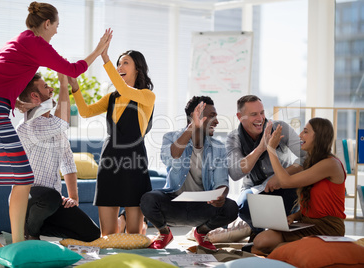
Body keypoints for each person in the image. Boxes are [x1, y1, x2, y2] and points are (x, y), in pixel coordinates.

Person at [0, 1, 111, 257]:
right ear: (47, 24)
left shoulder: (19, 40)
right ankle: (19, 242)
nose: (56, 32)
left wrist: (15, 101)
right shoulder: (36, 45)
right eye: (56, 26)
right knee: (23, 177)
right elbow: (73, 69)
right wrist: (99, 49)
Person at [72, 41, 155, 236]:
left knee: (134, 235)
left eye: (125, 62)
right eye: (118, 64)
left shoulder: (147, 96)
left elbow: (127, 91)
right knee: (107, 235)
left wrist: (105, 58)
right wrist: (75, 87)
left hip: (134, 162)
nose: (119, 67)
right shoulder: (111, 98)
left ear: (138, 68)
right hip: (109, 162)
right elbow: (85, 112)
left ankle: (129, 223)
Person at [140, 96, 239, 250]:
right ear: (195, 116)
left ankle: (201, 232)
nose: (217, 121)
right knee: (148, 199)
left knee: (231, 207)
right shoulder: (171, 137)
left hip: (202, 207)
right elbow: (169, 157)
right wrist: (192, 127)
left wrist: (221, 196)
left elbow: (222, 181)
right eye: (212, 116)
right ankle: (165, 233)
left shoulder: (218, 147)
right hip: (174, 204)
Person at [16, 73, 101, 242]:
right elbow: (63, 122)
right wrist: (64, 83)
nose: (51, 89)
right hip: (29, 199)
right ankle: (30, 231)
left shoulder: (56, 129)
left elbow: (68, 162)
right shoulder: (28, 126)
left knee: (91, 234)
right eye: (46, 87)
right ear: (35, 96)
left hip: (51, 201)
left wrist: (73, 198)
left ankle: (39, 225)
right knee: (49, 197)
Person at [252, 118, 346, 254]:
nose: (300, 135)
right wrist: (295, 216)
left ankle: (286, 252)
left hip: (328, 227)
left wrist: (271, 149)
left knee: (276, 249)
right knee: (260, 242)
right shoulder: (310, 162)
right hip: (307, 223)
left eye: (305, 131)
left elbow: (286, 182)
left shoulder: (331, 164)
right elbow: (315, 203)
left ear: (319, 136)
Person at [226, 95, 306, 241]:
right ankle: (258, 232)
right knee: (243, 206)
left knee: (290, 197)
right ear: (240, 116)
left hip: (284, 186)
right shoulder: (233, 138)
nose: (260, 118)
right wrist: (262, 147)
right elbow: (235, 173)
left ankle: (274, 234)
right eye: (253, 114)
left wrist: (282, 176)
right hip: (254, 188)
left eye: (262, 113)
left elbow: (307, 157)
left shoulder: (280, 128)